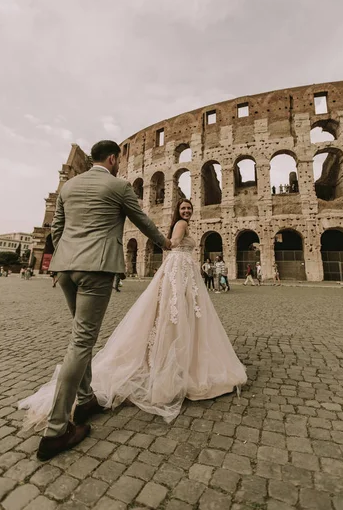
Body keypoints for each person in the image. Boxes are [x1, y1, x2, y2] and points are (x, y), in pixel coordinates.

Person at [20, 195, 247, 455]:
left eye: (188, 208)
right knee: (173, 314)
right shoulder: (180, 226)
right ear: (178, 211)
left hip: (179, 270)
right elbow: (170, 245)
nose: (186, 211)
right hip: (178, 270)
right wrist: (172, 247)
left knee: (175, 314)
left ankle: (82, 399)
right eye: (183, 208)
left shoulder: (184, 224)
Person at [19, 140, 171, 461]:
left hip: (66, 268)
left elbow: (56, 229)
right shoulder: (118, 185)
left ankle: (86, 398)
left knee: (80, 335)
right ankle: (57, 429)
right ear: (113, 158)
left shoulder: (70, 186)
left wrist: (64, 259)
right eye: (118, 160)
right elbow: (142, 220)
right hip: (97, 268)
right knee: (81, 341)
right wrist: (165, 242)